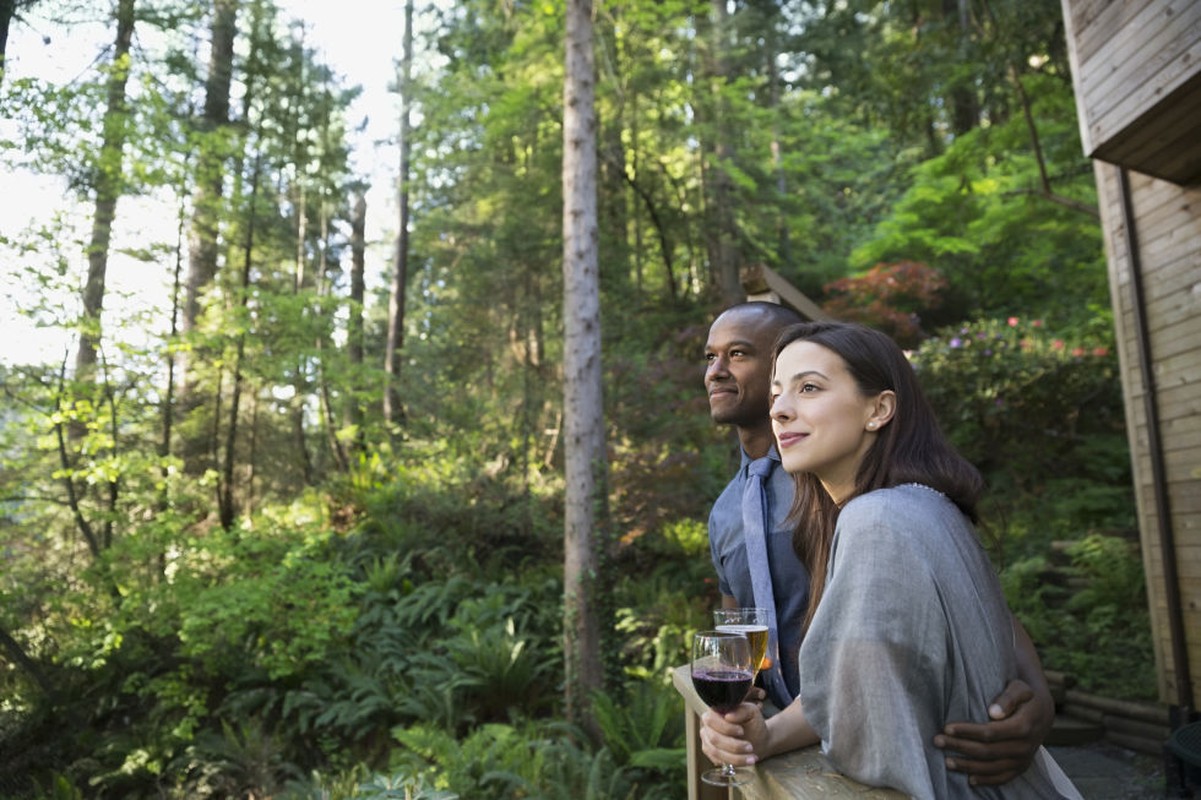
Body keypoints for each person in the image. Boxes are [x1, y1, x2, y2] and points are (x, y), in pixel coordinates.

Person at [700, 319, 1079, 798]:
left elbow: (873, 739)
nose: (780, 409)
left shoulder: (877, 519)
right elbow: (848, 688)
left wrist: (1037, 693)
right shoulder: (915, 504)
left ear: (879, 409)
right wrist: (767, 734)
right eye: (778, 393)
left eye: (809, 388)